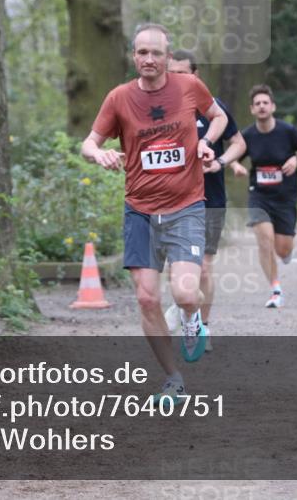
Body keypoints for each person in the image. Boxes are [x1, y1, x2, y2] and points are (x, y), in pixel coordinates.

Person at [81, 24, 228, 402]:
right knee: (147, 299)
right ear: (134, 56)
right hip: (140, 211)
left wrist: (206, 144)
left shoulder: (189, 87)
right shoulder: (118, 98)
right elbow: (89, 142)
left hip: (186, 207)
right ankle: (172, 379)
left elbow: (220, 118)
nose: (149, 59)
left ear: (167, 57)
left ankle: (194, 321)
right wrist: (99, 154)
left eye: (156, 53)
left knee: (183, 294)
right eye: (142, 52)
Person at [163, 50, 246, 351]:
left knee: (204, 268)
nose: (178, 79)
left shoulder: (213, 109)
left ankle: (203, 327)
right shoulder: (162, 109)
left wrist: (220, 161)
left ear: (196, 75)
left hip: (210, 199)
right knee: (179, 270)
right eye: (173, 73)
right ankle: (186, 309)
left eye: (184, 73)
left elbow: (239, 143)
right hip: (174, 200)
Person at [230, 85, 297, 308]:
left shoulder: (287, 131)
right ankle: (275, 289)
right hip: (259, 196)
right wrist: (236, 165)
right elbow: (232, 155)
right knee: (264, 240)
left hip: (285, 196)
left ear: (273, 106)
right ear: (252, 109)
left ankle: (286, 253)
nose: (262, 106)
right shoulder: (247, 135)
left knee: (282, 248)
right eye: (257, 103)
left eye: (265, 102)